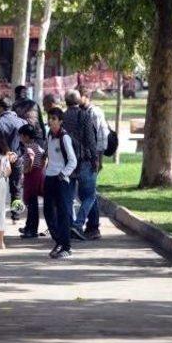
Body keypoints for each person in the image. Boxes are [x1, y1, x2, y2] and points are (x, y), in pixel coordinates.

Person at [62, 90, 98, 242]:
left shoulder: (62, 117)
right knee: (90, 195)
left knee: (69, 197)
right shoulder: (84, 115)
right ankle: (78, 224)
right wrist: (95, 158)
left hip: (67, 163)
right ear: (79, 101)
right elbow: (90, 139)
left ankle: (69, 225)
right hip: (84, 161)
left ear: (66, 101)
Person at [44, 107, 77, 259]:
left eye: (54, 119)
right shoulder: (49, 135)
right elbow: (48, 155)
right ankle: (58, 241)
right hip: (49, 177)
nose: (51, 121)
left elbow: (72, 160)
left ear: (60, 121)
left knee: (63, 213)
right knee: (48, 212)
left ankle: (66, 247)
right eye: (49, 118)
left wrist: (63, 174)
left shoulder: (64, 137)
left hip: (61, 179)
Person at [77, 86, 109, 240]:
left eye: (79, 96)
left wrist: (99, 159)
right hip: (83, 158)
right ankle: (93, 226)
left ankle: (89, 225)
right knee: (87, 194)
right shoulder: (80, 112)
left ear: (85, 96)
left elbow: (102, 138)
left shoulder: (94, 113)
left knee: (88, 193)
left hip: (92, 159)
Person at [0, 97, 26, 222]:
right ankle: (16, 216)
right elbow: (26, 143)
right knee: (16, 188)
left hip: (0, 160)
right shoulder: (22, 122)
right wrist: (18, 154)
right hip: (17, 159)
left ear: (0, 108)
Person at [17, 124, 45, 239]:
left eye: (21, 136)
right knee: (33, 204)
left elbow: (31, 157)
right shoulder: (37, 146)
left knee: (31, 204)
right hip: (38, 174)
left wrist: (27, 169)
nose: (20, 138)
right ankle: (29, 226)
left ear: (26, 136)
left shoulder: (29, 147)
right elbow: (43, 158)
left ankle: (31, 229)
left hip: (32, 176)